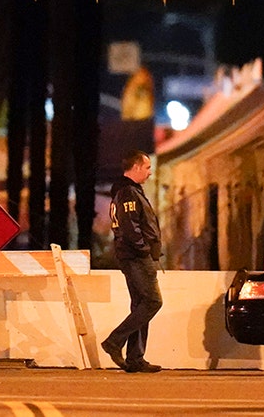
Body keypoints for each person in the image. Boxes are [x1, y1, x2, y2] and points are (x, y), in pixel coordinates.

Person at [100, 150, 163, 373]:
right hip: (136, 257)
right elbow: (130, 226)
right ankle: (114, 341)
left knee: (140, 305)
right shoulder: (128, 192)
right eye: (147, 168)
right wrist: (144, 248)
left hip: (132, 256)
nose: (149, 172)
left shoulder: (127, 190)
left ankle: (135, 357)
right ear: (135, 167)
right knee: (153, 302)